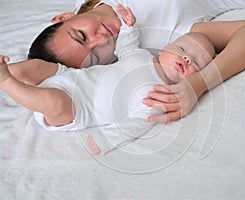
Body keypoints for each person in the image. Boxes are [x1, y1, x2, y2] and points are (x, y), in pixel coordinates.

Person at [10, 0, 245, 123]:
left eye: (81, 36)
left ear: (63, 17)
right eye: (96, 54)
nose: (100, 38)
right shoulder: (166, 42)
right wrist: (198, 84)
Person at [0, 4, 215, 155]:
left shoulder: (161, 95)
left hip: (78, 107)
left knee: (54, 103)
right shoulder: (142, 56)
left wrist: (106, 139)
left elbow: (137, 124)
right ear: (166, 48)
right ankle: (8, 70)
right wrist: (130, 27)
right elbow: (127, 47)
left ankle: (7, 82)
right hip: (69, 76)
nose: (187, 58)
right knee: (39, 67)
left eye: (197, 63)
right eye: (183, 49)